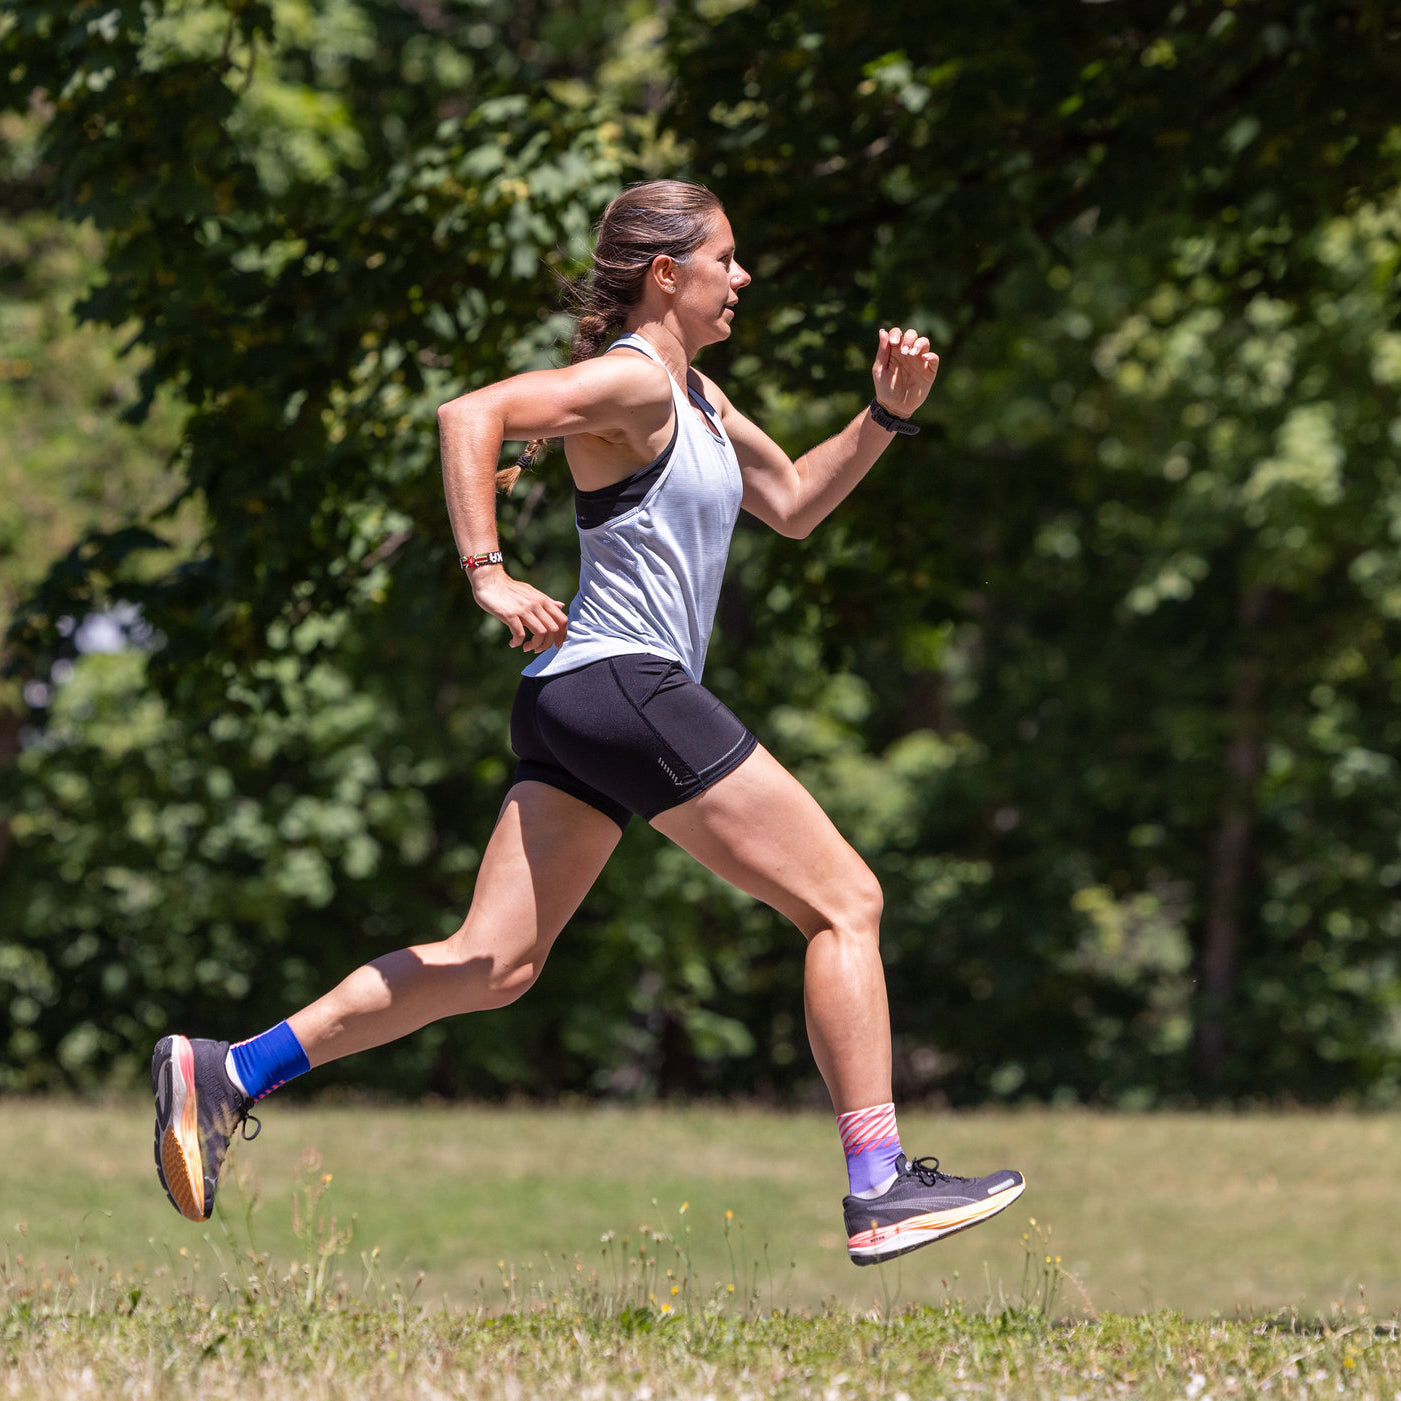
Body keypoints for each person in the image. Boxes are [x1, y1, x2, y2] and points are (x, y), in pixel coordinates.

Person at [152, 179, 1025, 1266]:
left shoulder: (695, 397)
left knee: (492, 964)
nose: (742, 277)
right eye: (727, 259)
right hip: (624, 683)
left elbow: (795, 502)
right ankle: (879, 1182)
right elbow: (469, 415)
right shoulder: (632, 382)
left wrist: (885, 415)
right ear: (668, 274)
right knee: (846, 900)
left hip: (577, 699)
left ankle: (227, 1071)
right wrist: (488, 572)